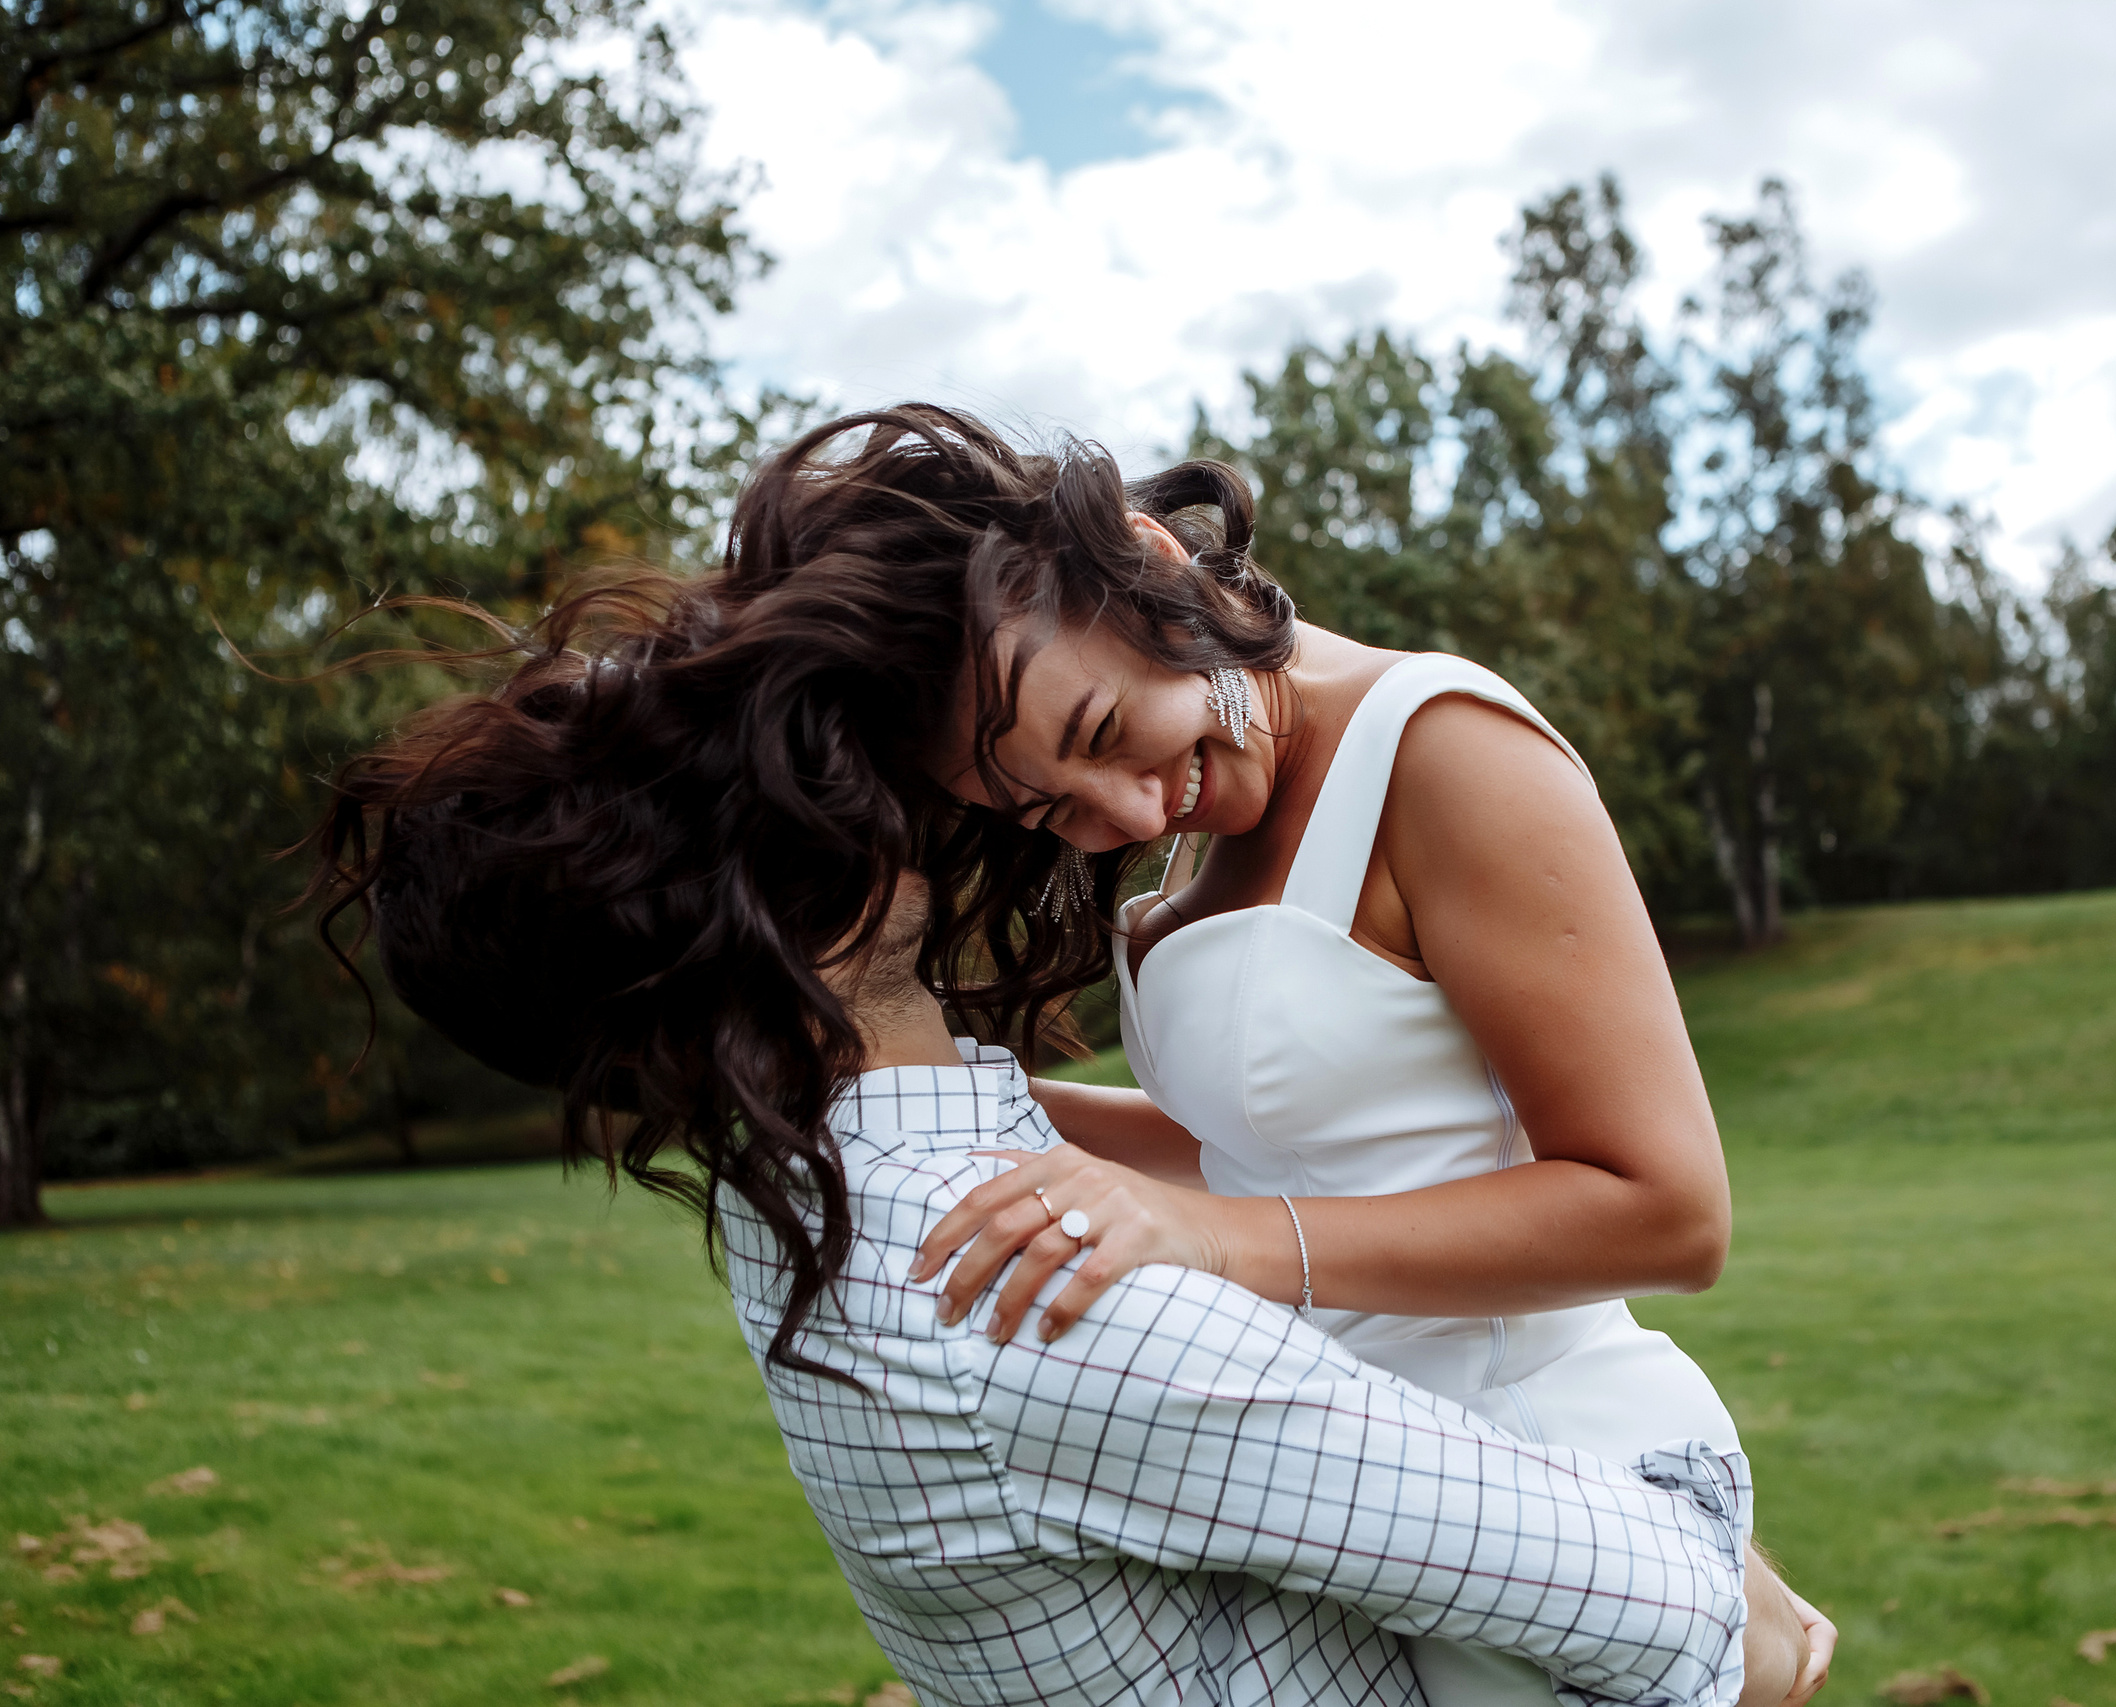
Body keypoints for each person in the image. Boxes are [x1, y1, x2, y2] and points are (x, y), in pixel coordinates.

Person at [298, 586, 1820, 1705]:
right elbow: (1687, 1615)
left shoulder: (828, 1192)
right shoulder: (1033, 1291)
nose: (844, 764)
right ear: (766, 920)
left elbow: (1256, 1160)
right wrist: (1708, 1562)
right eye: (763, 782)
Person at [709, 406, 1833, 1704]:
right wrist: (930, 1117)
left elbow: (1669, 1212)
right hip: (1375, 1514)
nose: (1124, 815)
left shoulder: (1444, 752)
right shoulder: (1200, 815)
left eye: (1100, 734)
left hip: (1549, 1477)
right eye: (1047, 805)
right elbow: (1272, 1146)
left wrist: (1221, 1241)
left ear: (1150, 562)